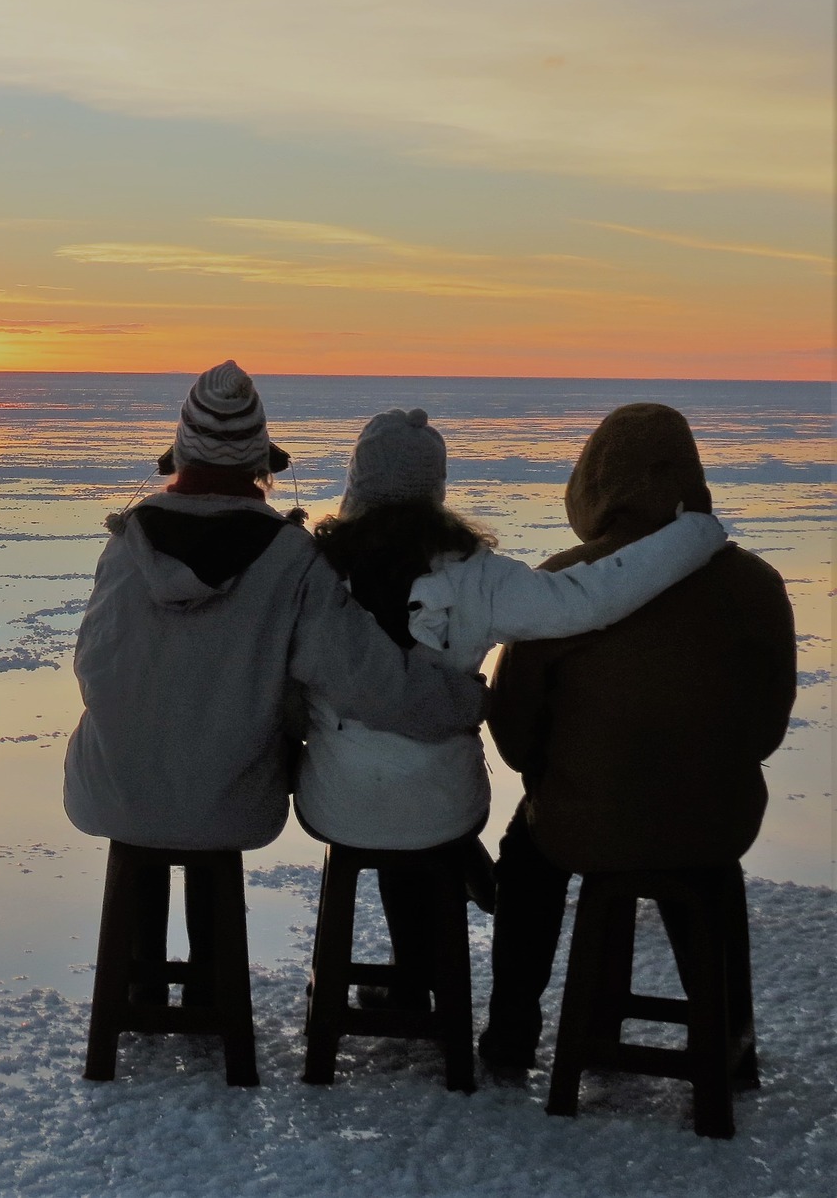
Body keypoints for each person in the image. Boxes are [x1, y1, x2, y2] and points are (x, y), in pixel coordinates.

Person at [293, 407, 727, 1000]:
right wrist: (695, 533)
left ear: (356, 484)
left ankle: (411, 978)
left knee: (376, 780)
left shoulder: (312, 573)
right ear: (436, 490)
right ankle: (429, 954)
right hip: (445, 802)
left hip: (337, 802)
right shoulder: (480, 578)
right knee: (424, 806)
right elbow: (589, 599)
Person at [478, 403, 797, 1071]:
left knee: (529, 853)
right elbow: (765, 729)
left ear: (595, 482)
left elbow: (514, 733)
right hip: (713, 823)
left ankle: (510, 1036)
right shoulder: (756, 586)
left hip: (586, 822)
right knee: (707, 868)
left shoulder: (565, 581)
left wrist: (565, 773)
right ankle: (731, 1042)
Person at [63, 363, 487, 855]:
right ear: (262, 463)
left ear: (177, 455)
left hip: (106, 797)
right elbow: (364, 678)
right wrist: (466, 702)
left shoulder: (127, 545)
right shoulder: (288, 557)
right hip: (233, 807)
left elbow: (94, 666)